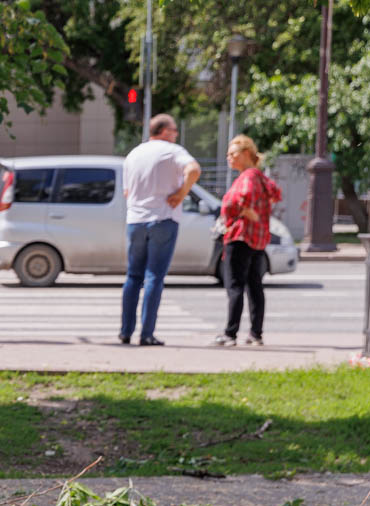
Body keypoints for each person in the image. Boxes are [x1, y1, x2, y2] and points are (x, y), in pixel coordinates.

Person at [119, 113, 200, 346]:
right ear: (164, 131)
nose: (176, 135)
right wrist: (181, 194)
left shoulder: (134, 154)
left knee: (133, 276)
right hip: (163, 219)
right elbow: (194, 170)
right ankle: (147, 333)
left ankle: (126, 331)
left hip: (135, 220)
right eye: (174, 130)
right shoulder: (173, 151)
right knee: (154, 276)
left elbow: (127, 192)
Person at [215, 134, 281, 347]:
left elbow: (240, 199)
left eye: (232, 154)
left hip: (241, 237)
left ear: (246, 154)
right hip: (258, 239)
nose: (229, 158)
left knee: (234, 286)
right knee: (254, 286)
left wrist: (239, 209)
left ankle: (230, 333)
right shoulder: (259, 176)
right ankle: (255, 333)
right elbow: (275, 193)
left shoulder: (248, 177)